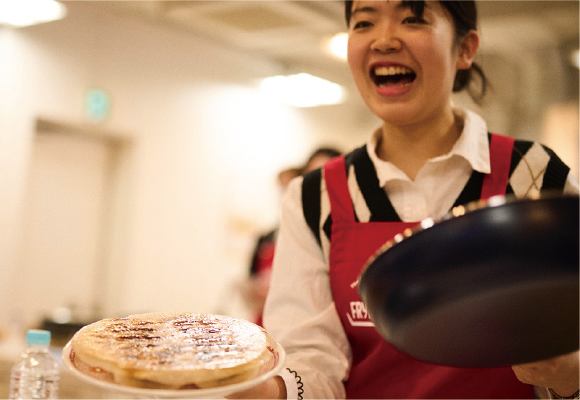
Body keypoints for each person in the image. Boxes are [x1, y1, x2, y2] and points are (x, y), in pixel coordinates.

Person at [238, 1, 576, 398]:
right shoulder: (314, 197)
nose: (383, 40)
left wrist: (571, 375)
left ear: (465, 48)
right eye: (364, 22)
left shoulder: (535, 175)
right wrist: (262, 392)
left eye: (412, 18)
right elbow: (313, 361)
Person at [244, 148, 341, 325]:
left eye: (327, 176)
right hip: (270, 325)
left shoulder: (346, 236)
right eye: (312, 176)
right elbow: (251, 279)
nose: (319, 186)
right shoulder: (270, 237)